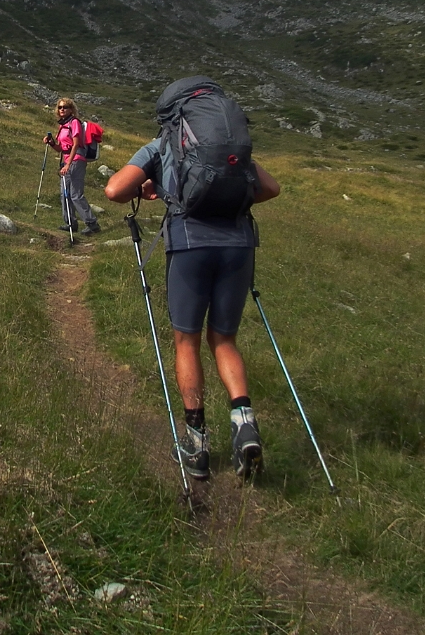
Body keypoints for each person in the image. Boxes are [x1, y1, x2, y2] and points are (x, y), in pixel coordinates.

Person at [104, 89, 280, 481]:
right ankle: (244, 422)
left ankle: (197, 444)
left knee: (187, 340)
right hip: (238, 248)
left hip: (189, 246)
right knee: (225, 339)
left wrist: (158, 187)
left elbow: (115, 190)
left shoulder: (162, 143)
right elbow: (271, 189)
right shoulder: (231, 149)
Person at [43, 97, 101, 235]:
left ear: (71, 109)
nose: (62, 109)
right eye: (60, 107)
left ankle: (92, 224)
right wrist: (51, 143)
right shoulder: (62, 126)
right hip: (67, 160)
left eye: (65, 107)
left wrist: (68, 164)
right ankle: (70, 223)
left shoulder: (74, 122)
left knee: (75, 194)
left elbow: (75, 144)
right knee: (65, 194)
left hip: (76, 160)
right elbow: (61, 149)